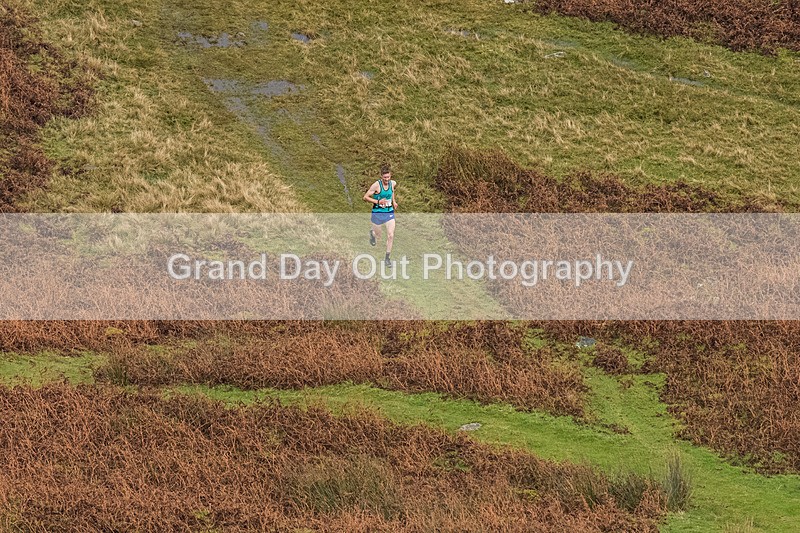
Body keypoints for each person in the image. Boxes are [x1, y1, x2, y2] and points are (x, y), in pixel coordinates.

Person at [363, 165, 397, 267]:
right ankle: (372, 233)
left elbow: (392, 192)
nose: (387, 179)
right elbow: (365, 197)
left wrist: (394, 202)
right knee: (378, 236)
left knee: (390, 235)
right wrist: (378, 201)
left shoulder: (393, 183)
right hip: (377, 213)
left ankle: (387, 258)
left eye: (388, 177)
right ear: (381, 176)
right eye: (385, 177)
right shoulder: (376, 186)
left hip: (389, 212)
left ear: (390, 176)